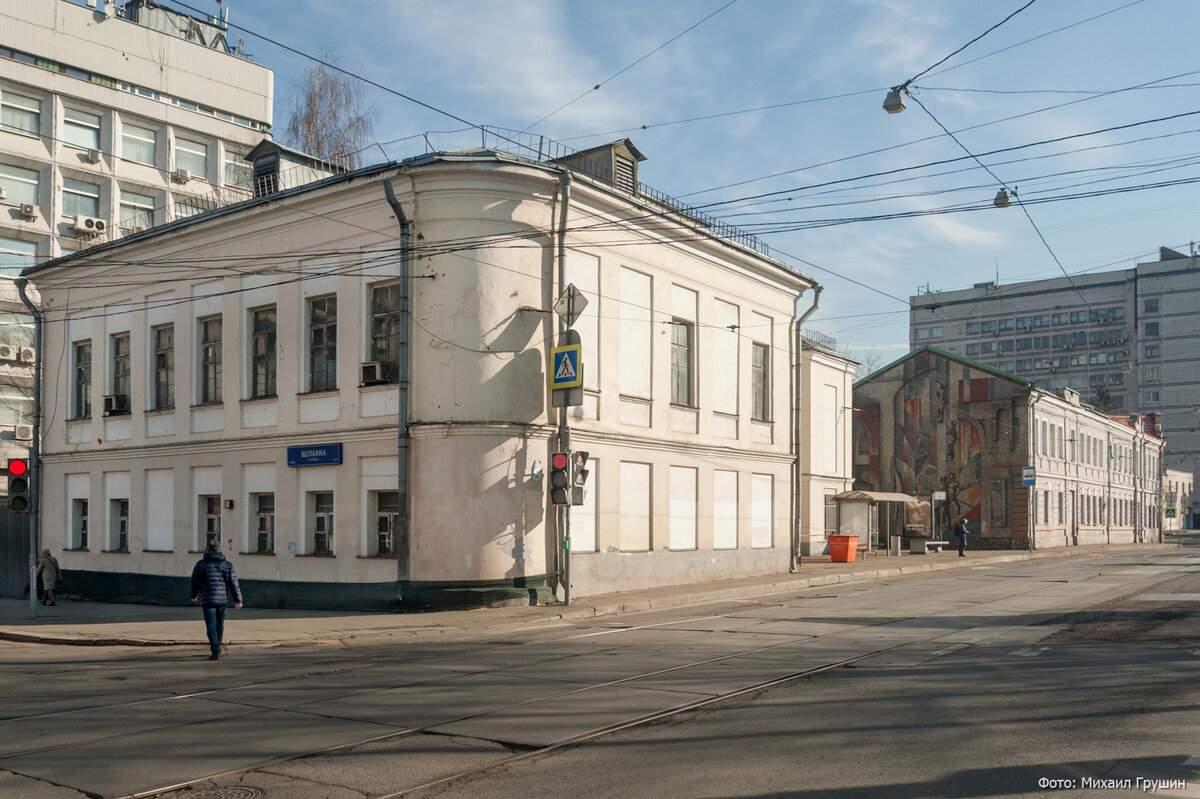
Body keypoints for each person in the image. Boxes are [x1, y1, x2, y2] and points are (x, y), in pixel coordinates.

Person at [190, 541, 242, 660]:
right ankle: (217, 647)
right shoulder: (227, 565)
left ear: (207, 550)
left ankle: (215, 650)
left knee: (211, 625)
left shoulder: (201, 565)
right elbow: (234, 584)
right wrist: (238, 600)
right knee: (219, 625)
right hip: (222, 600)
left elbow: (194, 581)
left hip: (208, 601)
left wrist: (194, 595)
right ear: (220, 550)